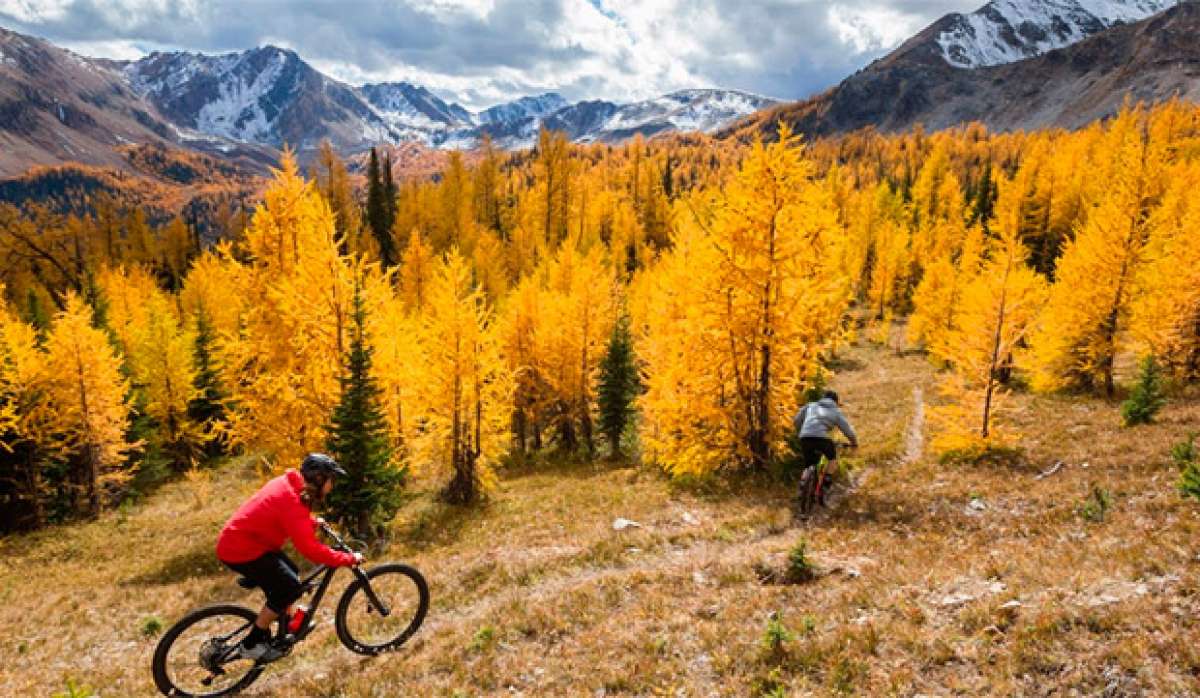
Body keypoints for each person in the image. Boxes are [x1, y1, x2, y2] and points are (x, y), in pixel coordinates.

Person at [215, 453, 363, 662]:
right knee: (290, 587)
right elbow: (310, 549)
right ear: (319, 479)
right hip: (240, 549)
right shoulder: (293, 502)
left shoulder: (287, 484)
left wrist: (311, 523)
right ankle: (251, 644)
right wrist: (347, 558)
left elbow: (281, 517)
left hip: (246, 541)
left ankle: (289, 620)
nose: (332, 485)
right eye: (331, 480)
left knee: (290, 573)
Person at [793, 390, 858, 504]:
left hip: (805, 438)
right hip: (822, 438)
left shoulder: (811, 405)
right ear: (835, 402)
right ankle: (826, 481)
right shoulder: (836, 411)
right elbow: (848, 431)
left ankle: (803, 485)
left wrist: (801, 433)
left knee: (808, 464)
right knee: (832, 458)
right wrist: (854, 443)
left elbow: (796, 420)